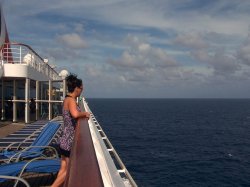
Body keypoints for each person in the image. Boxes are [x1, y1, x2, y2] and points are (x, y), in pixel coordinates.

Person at [51, 74, 90, 187]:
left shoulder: (67, 99)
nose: (81, 91)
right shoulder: (71, 100)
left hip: (64, 139)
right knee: (69, 170)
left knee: (63, 168)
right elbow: (75, 114)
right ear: (77, 88)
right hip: (69, 141)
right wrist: (85, 113)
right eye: (81, 88)